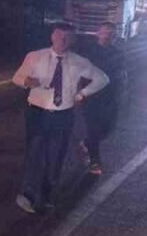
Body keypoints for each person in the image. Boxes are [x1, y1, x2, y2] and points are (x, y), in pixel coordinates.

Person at [11, 22, 109, 213]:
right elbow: (17, 77)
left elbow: (103, 78)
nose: (62, 40)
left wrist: (82, 94)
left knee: (56, 157)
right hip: (37, 113)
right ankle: (28, 194)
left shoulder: (79, 61)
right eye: (59, 35)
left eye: (67, 37)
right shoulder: (35, 56)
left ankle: (46, 195)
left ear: (73, 40)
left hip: (63, 116)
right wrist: (26, 81)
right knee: (35, 153)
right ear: (52, 37)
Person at [77, 22, 125, 176]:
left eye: (111, 33)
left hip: (110, 97)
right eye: (105, 32)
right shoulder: (89, 52)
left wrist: (122, 92)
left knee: (107, 129)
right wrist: (80, 93)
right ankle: (95, 162)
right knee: (93, 130)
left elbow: (122, 74)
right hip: (92, 97)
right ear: (98, 33)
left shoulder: (118, 53)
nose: (108, 35)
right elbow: (79, 73)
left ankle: (86, 143)